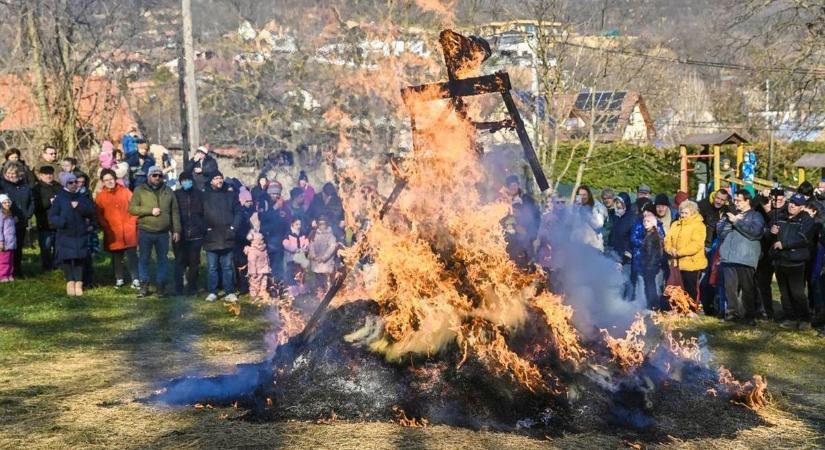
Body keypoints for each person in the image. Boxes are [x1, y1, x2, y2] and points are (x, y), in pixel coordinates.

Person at [128, 165, 181, 298]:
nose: (157, 178)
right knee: (144, 259)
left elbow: (175, 211)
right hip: (145, 230)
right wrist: (149, 211)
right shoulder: (139, 190)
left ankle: (160, 287)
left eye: (159, 175)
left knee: (162, 260)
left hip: (163, 232)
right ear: (149, 176)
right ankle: (144, 286)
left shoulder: (168, 191)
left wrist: (176, 230)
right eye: (154, 175)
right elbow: (132, 209)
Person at [717, 190, 764, 324]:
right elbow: (721, 233)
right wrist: (726, 222)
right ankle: (732, 313)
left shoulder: (756, 216)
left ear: (747, 201)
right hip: (729, 256)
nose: (735, 203)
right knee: (730, 288)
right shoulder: (731, 215)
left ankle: (750, 315)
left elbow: (755, 233)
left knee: (747, 288)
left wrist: (737, 222)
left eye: (739, 200)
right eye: (735, 200)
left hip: (746, 257)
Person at [771, 193, 816, 330]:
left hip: (796, 261)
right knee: (784, 293)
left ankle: (804, 318)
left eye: (796, 204)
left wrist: (784, 244)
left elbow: (804, 239)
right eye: (791, 202)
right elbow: (771, 236)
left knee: (797, 293)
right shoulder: (781, 217)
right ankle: (790, 317)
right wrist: (771, 232)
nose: (792, 205)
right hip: (780, 260)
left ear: (802, 207)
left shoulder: (806, 220)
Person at [49, 172, 95, 296]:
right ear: (65, 184)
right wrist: (62, 222)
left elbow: (91, 211)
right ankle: (70, 282)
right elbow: (53, 215)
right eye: (71, 182)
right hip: (65, 234)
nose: (74, 184)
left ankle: (79, 283)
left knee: (80, 258)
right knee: (67, 259)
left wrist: (79, 206)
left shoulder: (82, 196)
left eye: (76, 182)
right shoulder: (60, 198)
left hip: (80, 233)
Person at [95, 169, 139, 289]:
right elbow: (99, 214)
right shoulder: (100, 196)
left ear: (115, 179)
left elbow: (135, 206)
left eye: (111, 179)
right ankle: (119, 278)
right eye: (106, 180)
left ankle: (135, 278)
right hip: (113, 231)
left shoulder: (125, 191)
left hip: (128, 229)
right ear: (103, 182)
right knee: (117, 257)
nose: (109, 182)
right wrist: (106, 226)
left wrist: (133, 221)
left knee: (132, 256)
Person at [201, 171, 241, 302]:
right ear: (211, 181)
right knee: (212, 267)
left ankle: (229, 291)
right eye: (216, 178)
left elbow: (238, 212)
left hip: (227, 235)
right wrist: (204, 228)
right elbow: (198, 214)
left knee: (227, 266)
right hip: (211, 235)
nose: (219, 180)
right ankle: (213, 291)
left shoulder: (230, 195)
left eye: (221, 178)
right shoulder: (204, 195)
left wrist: (233, 228)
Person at [664, 200, 707, 301]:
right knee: (675, 289)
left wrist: (679, 252)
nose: (683, 215)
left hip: (691, 264)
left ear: (693, 213)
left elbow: (696, 245)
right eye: (682, 212)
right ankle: (678, 310)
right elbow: (667, 240)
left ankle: (691, 311)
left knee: (690, 289)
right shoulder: (675, 224)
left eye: (686, 213)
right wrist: (670, 250)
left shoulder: (699, 226)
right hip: (675, 263)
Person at [173, 172, 206, 295]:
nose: (186, 182)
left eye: (188, 179)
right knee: (179, 262)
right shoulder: (176, 195)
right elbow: (173, 213)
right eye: (184, 180)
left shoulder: (199, 195)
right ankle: (178, 287)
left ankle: (192, 287)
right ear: (180, 182)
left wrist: (202, 228)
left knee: (194, 263)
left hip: (196, 234)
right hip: (180, 235)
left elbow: (204, 213)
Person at [0, 162, 34, 278]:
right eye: (8, 173)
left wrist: (27, 215)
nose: (11, 175)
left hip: (21, 221)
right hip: (5, 222)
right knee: (5, 249)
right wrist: (9, 216)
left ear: (18, 174)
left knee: (18, 247)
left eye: (13, 173)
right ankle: (4, 272)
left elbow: (31, 202)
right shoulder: (2, 186)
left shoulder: (25, 187)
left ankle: (17, 271)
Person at [259, 182, 291, 282]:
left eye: (277, 194)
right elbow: (263, 218)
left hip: (279, 237)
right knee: (269, 262)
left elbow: (287, 219)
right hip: (268, 236)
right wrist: (275, 208)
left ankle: (279, 283)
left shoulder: (282, 204)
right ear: (269, 193)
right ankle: (270, 283)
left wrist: (285, 235)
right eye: (273, 194)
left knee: (279, 263)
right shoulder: (263, 202)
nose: (276, 196)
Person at [32, 166, 61, 270]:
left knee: (58, 246)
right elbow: (36, 205)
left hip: (58, 222)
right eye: (45, 174)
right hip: (44, 222)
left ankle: (57, 266)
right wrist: (50, 202)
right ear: (40, 175)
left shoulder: (58, 186)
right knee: (46, 246)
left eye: (50, 174)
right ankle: (47, 267)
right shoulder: (36, 188)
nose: (48, 176)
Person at [308, 215, 338, 294]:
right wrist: (313, 256)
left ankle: (327, 293)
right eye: (320, 224)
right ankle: (319, 294)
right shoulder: (314, 234)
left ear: (326, 224)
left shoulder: (330, 235)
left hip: (326, 263)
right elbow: (311, 245)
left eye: (323, 224)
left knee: (326, 280)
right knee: (318, 279)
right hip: (316, 262)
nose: (321, 226)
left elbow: (331, 248)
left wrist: (323, 258)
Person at [641, 213, 665, 310]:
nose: (645, 223)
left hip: (651, 265)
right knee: (650, 285)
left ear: (653, 223)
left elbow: (653, 253)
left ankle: (653, 305)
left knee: (650, 286)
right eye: (644, 221)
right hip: (651, 264)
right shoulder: (650, 234)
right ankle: (652, 305)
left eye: (648, 221)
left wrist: (649, 265)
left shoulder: (652, 236)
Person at [574, 184, 608, 251]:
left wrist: (586, 214)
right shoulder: (577, 207)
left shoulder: (597, 207)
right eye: (580, 195)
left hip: (594, 246)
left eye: (584, 195)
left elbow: (598, 224)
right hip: (580, 245)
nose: (582, 197)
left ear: (589, 195)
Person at [234, 188, 255, 295]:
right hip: (240, 242)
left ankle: (245, 284)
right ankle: (242, 286)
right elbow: (237, 229)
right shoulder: (240, 212)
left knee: (247, 264)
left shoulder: (248, 211)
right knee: (242, 265)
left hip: (246, 241)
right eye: (247, 201)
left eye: (250, 201)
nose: (250, 203)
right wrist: (246, 236)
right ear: (242, 201)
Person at [283, 217, 309, 295]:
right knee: (291, 273)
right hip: (291, 258)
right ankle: (292, 291)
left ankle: (302, 289)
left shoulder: (302, 234)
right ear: (292, 225)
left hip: (300, 257)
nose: (299, 226)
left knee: (301, 273)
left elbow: (306, 242)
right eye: (297, 224)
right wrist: (295, 249)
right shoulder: (288, 234)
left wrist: (305, 248)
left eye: (300, 224)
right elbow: (286, 244)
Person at [245, 230, 271, 302]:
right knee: (254, 283)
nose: (261, 241)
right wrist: (253, 272)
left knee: (264, 282)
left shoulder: (264, 249)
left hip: (264, 269)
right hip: (255, 271)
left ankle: (262, 294)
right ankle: (254, 294)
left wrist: (268, 267)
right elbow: (251, 262)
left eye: (262, 239)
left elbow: (266, 258)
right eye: (260, 240)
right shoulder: (252, 251)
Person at [0, 194, 16, 282]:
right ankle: (2, 276)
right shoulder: (0, 214)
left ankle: (9, 274)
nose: (7, 204)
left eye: (8, 202)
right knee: (3, 260)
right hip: (4, 243)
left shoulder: (9, 214)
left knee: (10, 260)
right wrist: (1, 241)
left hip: (11, 242)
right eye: (4, 202)